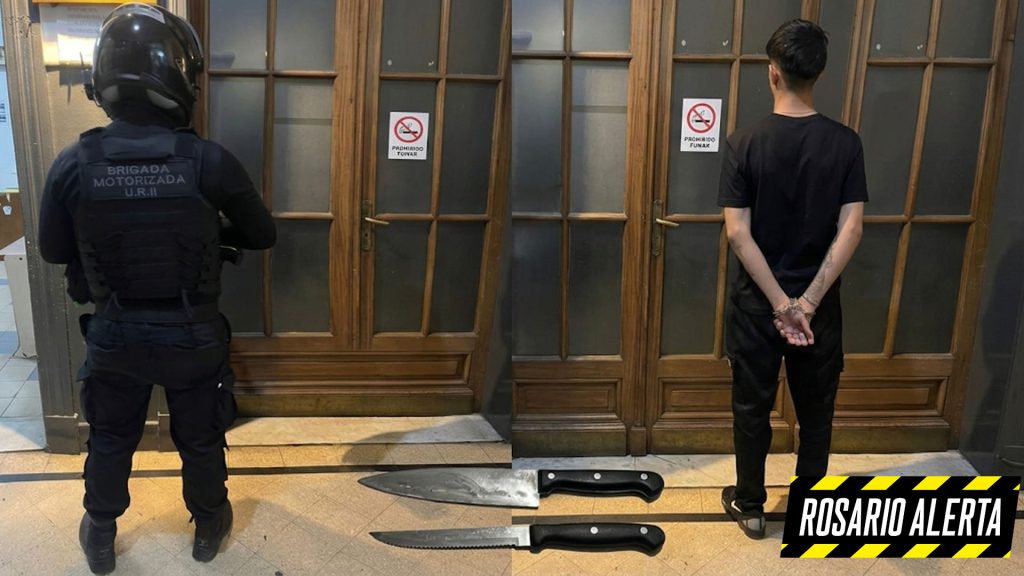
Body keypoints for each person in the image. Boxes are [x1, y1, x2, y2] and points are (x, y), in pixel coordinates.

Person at [38, 4, 276, 573]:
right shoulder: (208, 159)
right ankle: (208, 525)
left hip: (116, 334)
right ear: (178, 74)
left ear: (103, 79)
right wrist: (209, 231)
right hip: (191, 335)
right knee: (200, 438)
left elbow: (52, 250)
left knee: (111, 438)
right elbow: (262, 234)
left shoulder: (74, 162)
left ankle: (100, 534)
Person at [718, 19, 867, 539]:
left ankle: (751, 506)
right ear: (819, 74)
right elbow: (852, 229)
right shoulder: (846, 144)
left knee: (751, 408)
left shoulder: (743, 142)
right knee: (817, 412)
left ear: (772, 73)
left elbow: (738, 233)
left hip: (757, 307)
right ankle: (810, 512)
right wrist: (806, 304)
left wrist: (782, 305)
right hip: (817, 311)